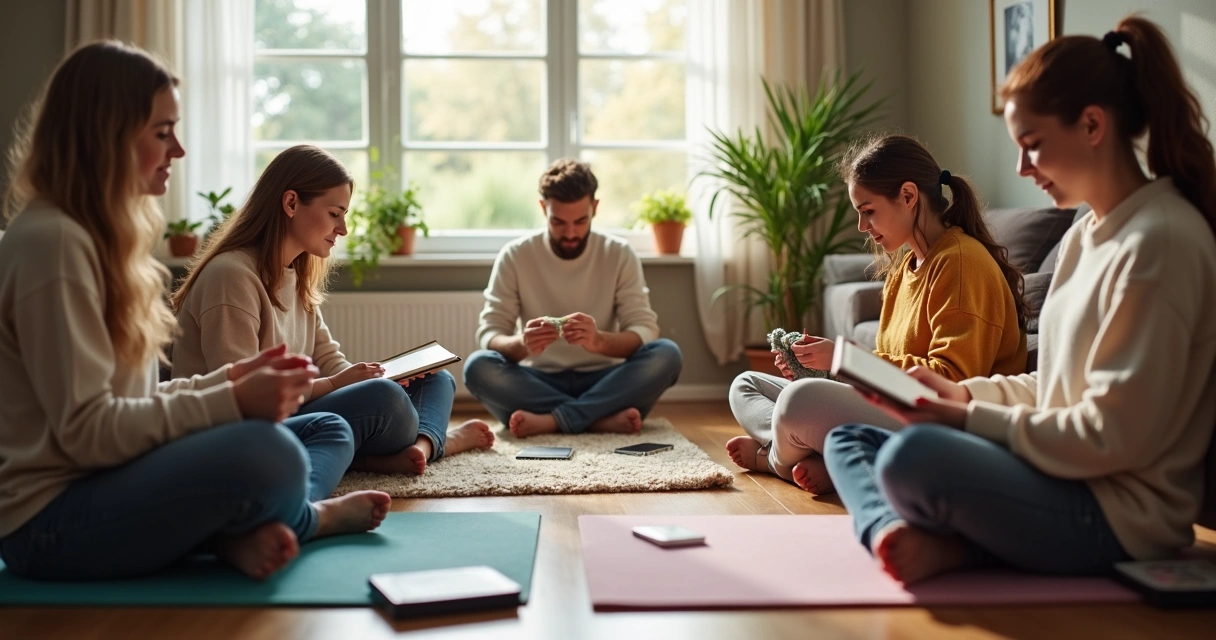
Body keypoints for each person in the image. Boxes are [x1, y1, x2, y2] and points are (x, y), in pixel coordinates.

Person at [824, 17, 1216, 586]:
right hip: (1058, 472)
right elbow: (1053, 383)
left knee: (913, 459)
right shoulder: (1087, 235)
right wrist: (963, 392)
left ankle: (951, 544)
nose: (1020, 169)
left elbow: (1111, 437)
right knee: (850, 437)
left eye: (1032, 146)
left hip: (1116, 513)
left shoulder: (1161, 242)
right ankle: (906, 533)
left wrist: (964, 416)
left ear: (1091, 125)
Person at [0, 41, 390, 582]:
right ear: (104, 135)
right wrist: (230, 398)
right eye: (163, 132)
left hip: (107, 481)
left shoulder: (90, 241)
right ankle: (304, 519)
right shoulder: (54, 245)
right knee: (269, 454)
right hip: (49, 523)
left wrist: (230, 380)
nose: (177, 150)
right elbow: (89, 431)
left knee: (294, 441)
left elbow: (132, 403)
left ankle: (231, 536)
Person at [726, 134, 1028, 493]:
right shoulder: (906, 266)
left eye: (867, 211)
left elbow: (953, 383)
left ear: (908, 196)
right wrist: (828, 369)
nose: (861, 226)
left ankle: (773, 459)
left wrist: (846, 361)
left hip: (944, 429)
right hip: (897, 408)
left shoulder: (961, 263)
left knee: (798, 401)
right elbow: (891, 371)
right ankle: (819, 453)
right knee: (745, 385)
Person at [171, 145, 493, 476]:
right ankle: (428, 444)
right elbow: (243, 394)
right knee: (384, 400)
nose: (343, 229)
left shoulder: (294, 274)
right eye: (335, 213)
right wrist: (340, 384)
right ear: (291, 203)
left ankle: (421, 447)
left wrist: (381, 376)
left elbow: (330, 360)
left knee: (436, 380)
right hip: (246, 426)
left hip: (296, 409)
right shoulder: (231, 275)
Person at [463, 159, 683, 437]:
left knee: (667, 354)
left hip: (606, 379)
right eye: (558, 221)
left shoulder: (618, 253)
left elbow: (644, 329)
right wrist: (523, 344)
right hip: (539, 380)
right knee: (478, 367)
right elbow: (490, 334)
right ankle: (597, 419)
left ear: (595, 208)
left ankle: (555, 419)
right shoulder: (515, 255)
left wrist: (599, 341)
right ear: (543, 208)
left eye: (581, 221)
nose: (570, 233)